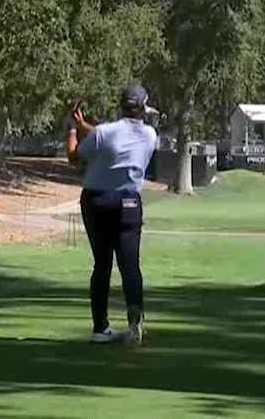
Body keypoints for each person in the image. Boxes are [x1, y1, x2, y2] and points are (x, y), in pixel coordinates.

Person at [65, 82, 159, 345]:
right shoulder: (150, 135)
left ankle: (100, 328)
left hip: (96, 202)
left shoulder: (103, 133)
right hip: (128, 203)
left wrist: (71, 127)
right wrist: (84, 125)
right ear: (143, 108)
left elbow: (74, 156)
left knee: (102, 264)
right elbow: (115, 138)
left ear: (121, 106)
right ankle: (135, 325)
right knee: (130, 265)